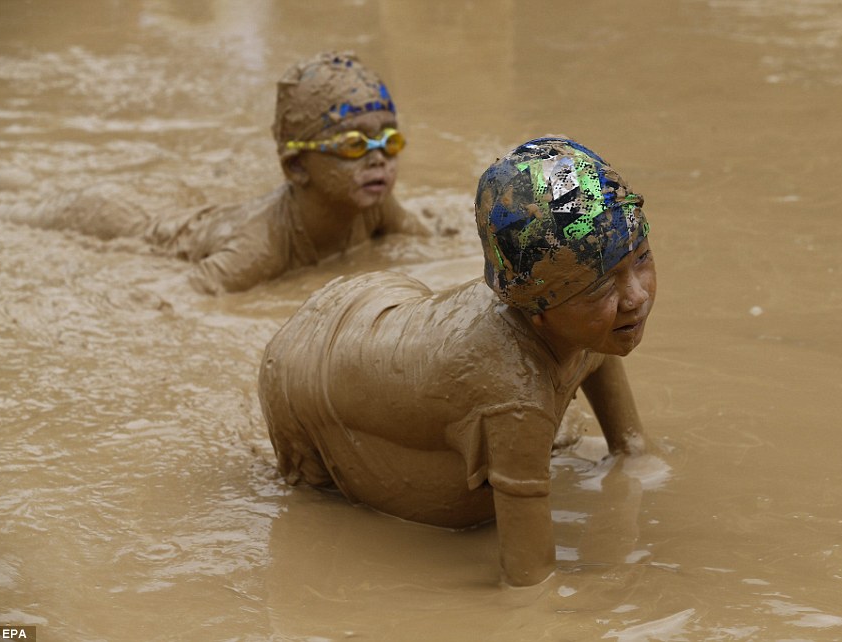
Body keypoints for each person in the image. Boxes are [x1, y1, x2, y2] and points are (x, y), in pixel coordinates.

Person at [258, 137, 656, 586]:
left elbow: (634, 452)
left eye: (641, 258)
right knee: (328, 505)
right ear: (540, 312)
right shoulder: (514, 393)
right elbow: (529, 582)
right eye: (602, 287)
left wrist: (635, 468)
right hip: (303, 369)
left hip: (370, 312)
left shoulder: (577, 315)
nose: (636, 296)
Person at [0, 51, 429, 294]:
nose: (379, 160)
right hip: (113, 219)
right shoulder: (259, 247)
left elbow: (432, 241)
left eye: (389, 141)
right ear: (297, 166)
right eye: (355, 145)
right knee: (6, 215)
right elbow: (176, 295)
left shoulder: (375, 205)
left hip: (177, 205)